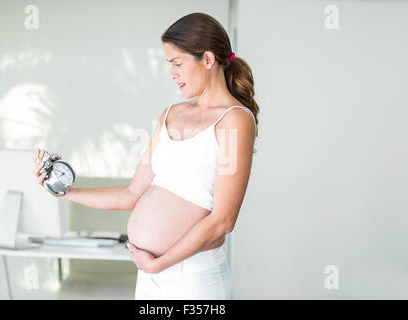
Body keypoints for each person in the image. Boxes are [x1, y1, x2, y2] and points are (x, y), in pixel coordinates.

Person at [33, 12, 259, 300]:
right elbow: (132, 193)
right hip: (151, 278)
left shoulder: (234, 121)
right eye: (169, 65)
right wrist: (65, 192)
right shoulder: (171, 114)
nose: (172, 73)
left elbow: (223, 220)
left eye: (178, 63)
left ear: (207, 59)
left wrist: (159, 263)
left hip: (194, 278)